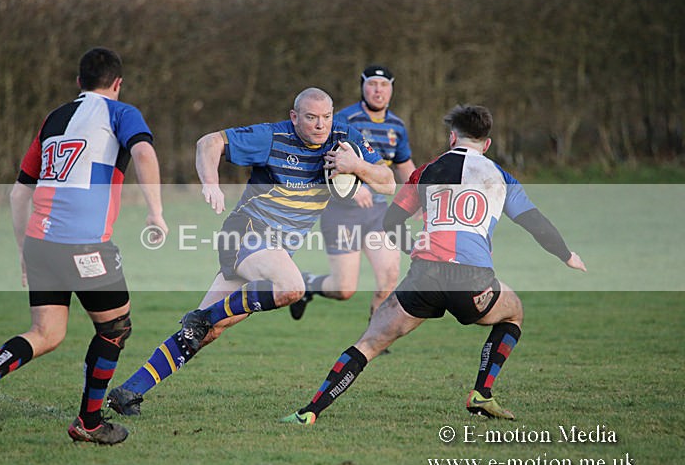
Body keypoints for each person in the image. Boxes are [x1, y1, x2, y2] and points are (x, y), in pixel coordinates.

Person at [281, 104, 586, 425]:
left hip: (423, 276)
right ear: (487, 144)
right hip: (470, 279)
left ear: (452, 137)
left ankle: (310, 412)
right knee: (514, 312)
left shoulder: (425, 171)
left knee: (369, 342)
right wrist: (567, 255)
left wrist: (414, 248)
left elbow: (390, 222)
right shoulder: (500, 177)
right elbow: (536, 223)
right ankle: (482, 391)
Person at [106, 87, 396, 416]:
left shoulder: (346, 139)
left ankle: (129, 391)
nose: (320, 125)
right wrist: (210, 181)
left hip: (274, 249)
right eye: (311, 117)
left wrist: (357, 164)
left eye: (326, 117)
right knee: (291, 287)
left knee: (205, 333)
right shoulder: (272, 136)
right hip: (246, 232)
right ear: (294, 117)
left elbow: (387, 182)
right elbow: (209, 142)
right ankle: (201, 318)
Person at [0, 47, 168, 446]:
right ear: (117, 83)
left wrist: (23, 252)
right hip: (83, 244)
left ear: (78, 83)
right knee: (115, 328)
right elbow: (143, 151)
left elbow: (19, 194)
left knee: (46, 332)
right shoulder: (121, 112)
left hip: (40, 242)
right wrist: (156, 211)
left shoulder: (54, 118)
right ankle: (88, 421)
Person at [290, 65, 415, 326]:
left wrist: (421, 198)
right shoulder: (345, 120)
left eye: (384, 85)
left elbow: (404, 166)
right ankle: (307, 284)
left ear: (392, 89)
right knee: (344, 289)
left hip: (378, 212)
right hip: (341, 212)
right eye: (372, 84)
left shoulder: (397, 126)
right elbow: (324, 159)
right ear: (363, 87)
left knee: (390, 275)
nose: (378, 90)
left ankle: (377, 333)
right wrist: (354, 188)